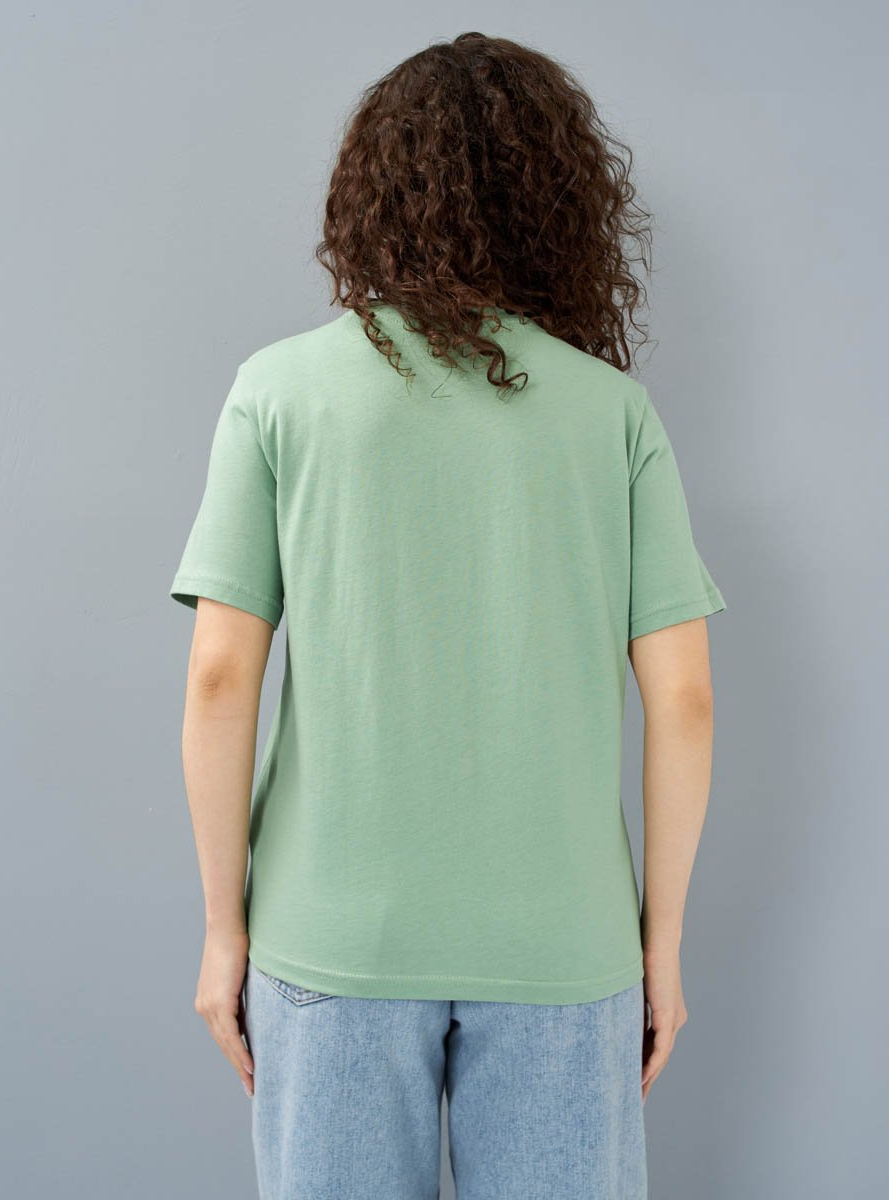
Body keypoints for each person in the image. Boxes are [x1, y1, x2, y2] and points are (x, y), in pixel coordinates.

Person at [169, 30, 726, 1200]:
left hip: (333, 942)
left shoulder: (277, 393)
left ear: (372, 194)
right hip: (564, 947)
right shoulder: (613, 413)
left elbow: (220, 675)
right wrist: (660, 947)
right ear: (557, 203)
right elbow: (684, 698)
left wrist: (224, 930)